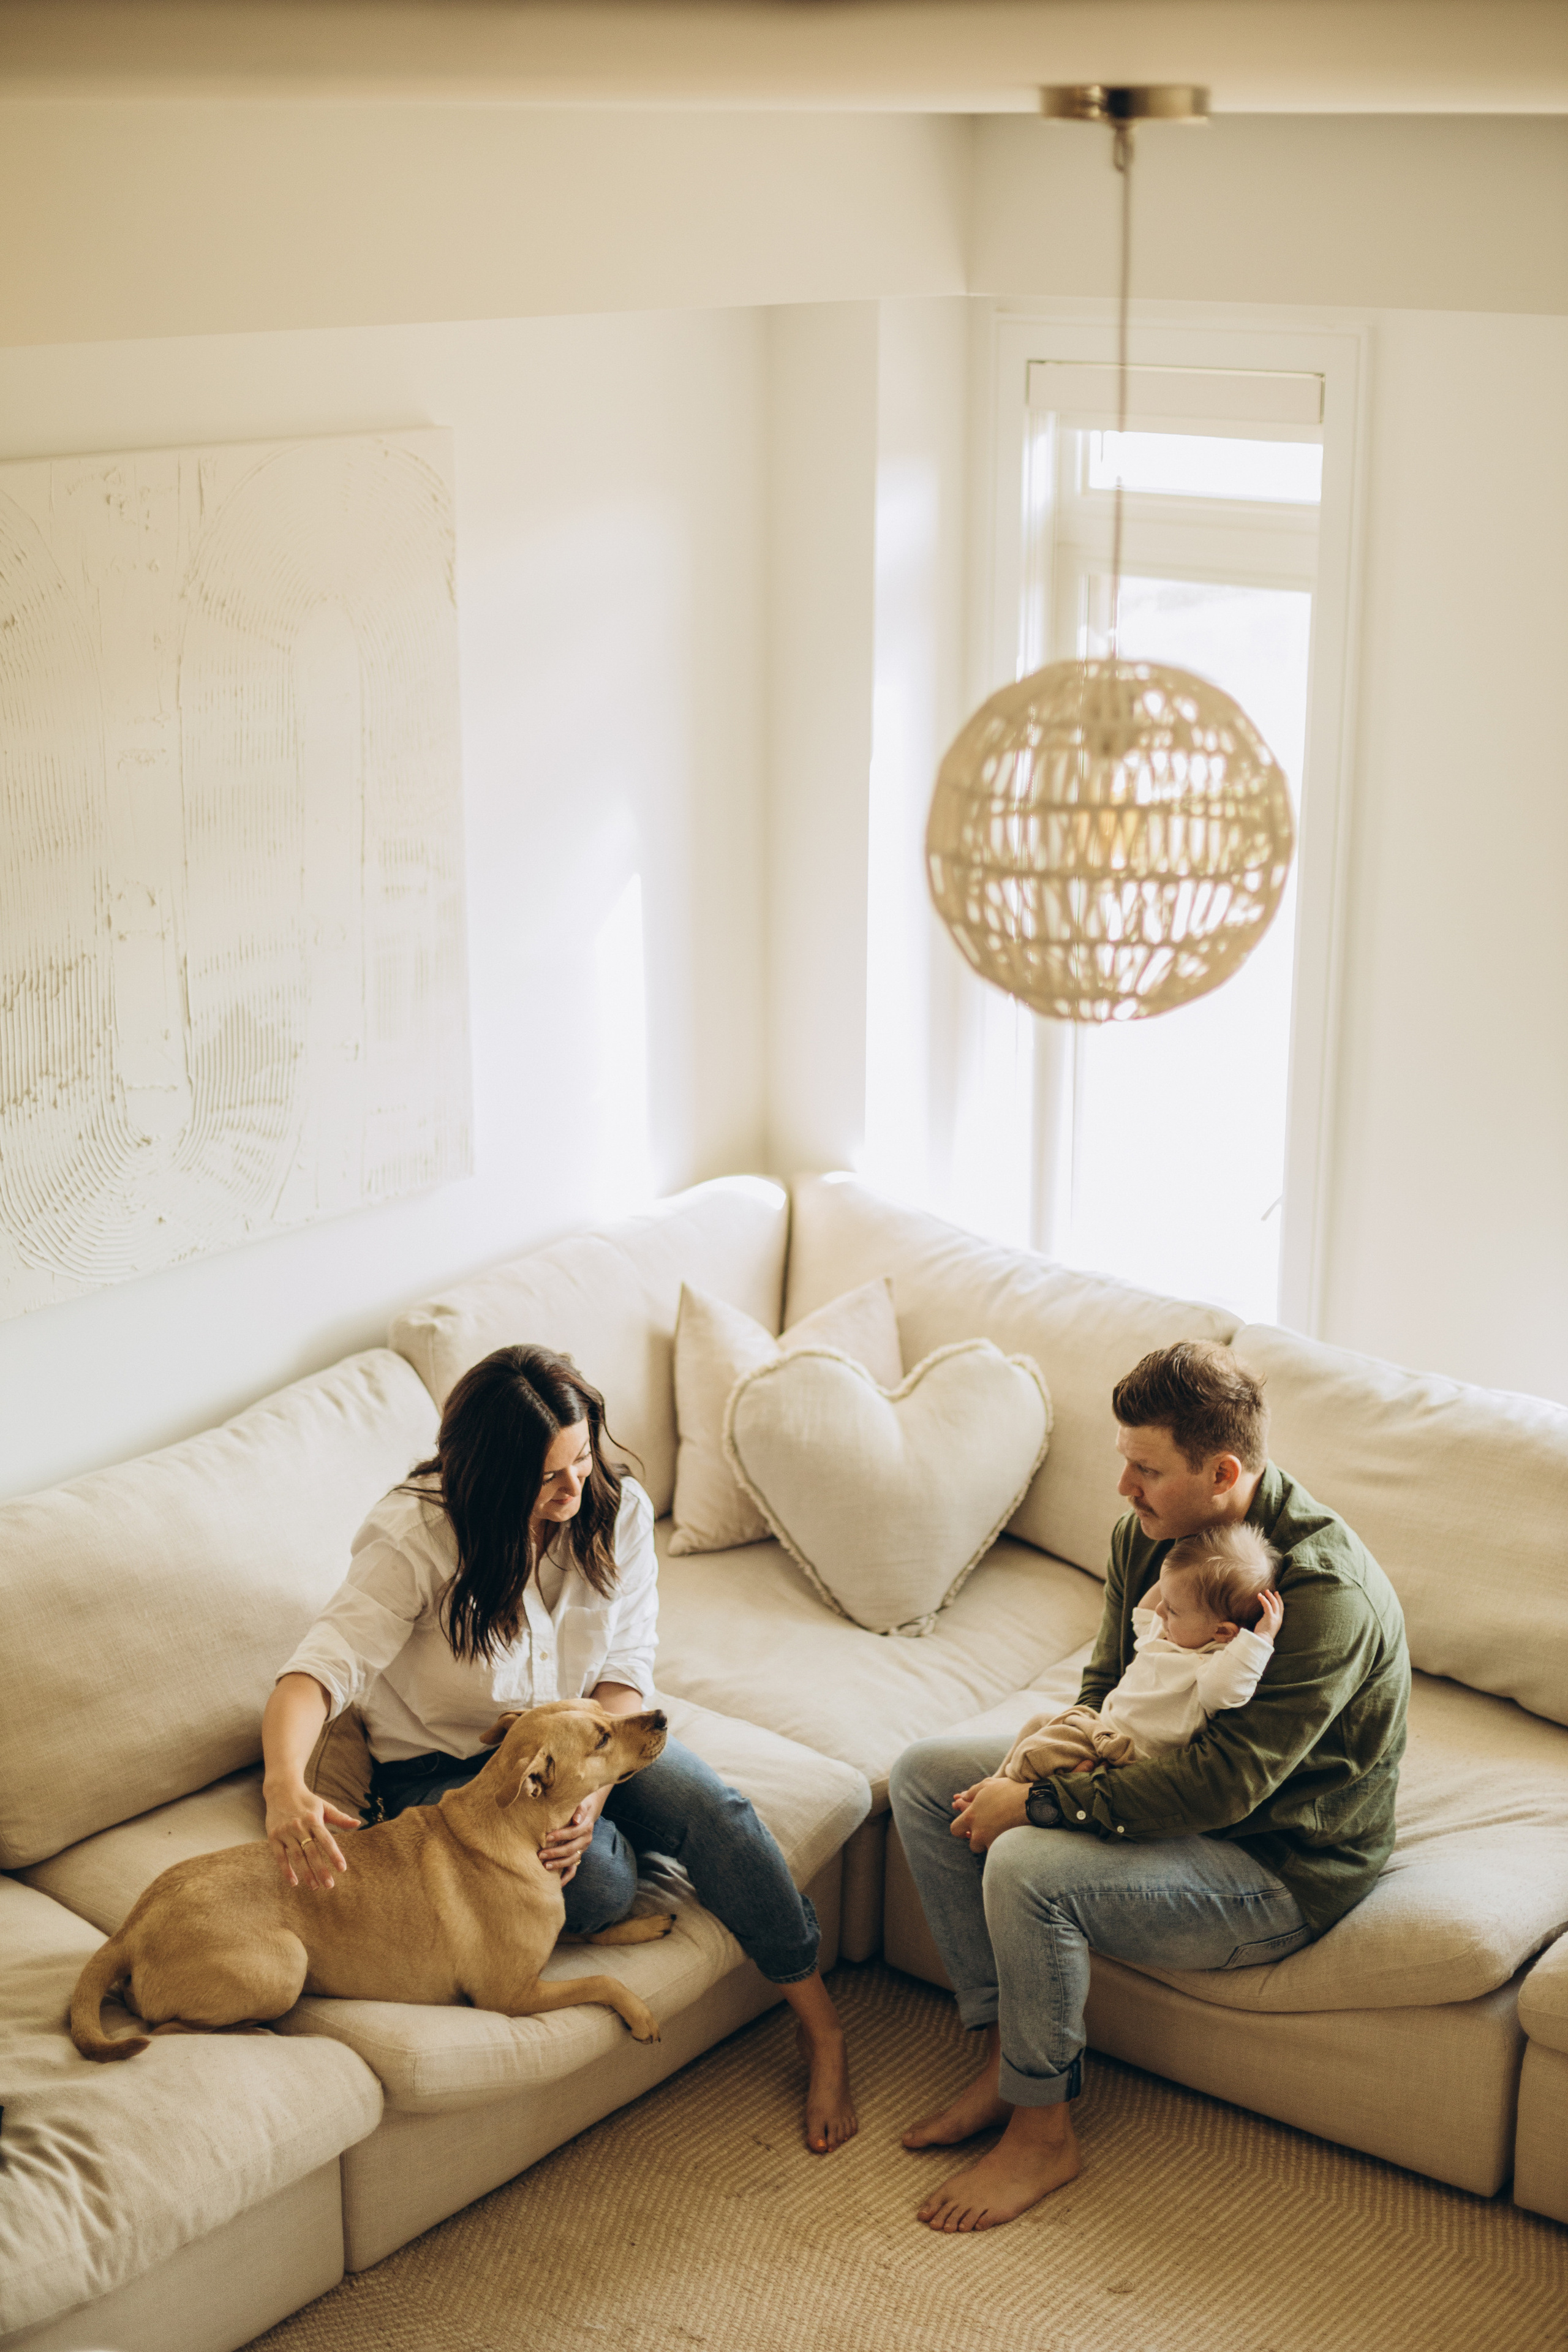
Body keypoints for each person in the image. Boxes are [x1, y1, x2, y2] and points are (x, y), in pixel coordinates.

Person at [262, 1342, 857, 2154]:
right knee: (603, 1883)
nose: (574, 1486)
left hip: (588, 1739)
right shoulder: (418, 1536)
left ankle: (821, 2029)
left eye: (581, 1456)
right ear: (492, 1477)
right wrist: (283, 1784)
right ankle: (594, 1880)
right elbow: (317, 1672)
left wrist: (591, 1794)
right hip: (444, 1772)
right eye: (547, 1476)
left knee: (715, 1810)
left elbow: (623, 1672)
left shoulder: (617, 1512)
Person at [889, 1340, 1408, 2233]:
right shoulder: (1154, 1532)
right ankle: (1008, 2054)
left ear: (1223, 1471)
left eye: (1145, 1470)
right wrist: (1069, 1754)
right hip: (1156, 1772)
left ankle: (1044, 2130)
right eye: (1123, 1463)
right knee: (924, 1776)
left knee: (1023, 1865)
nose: (1123, 1490)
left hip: (1279, 1858)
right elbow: (1108, 1685)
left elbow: (1227, 1790)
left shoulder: (1326, 1594)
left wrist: (1046, 1804)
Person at [997, 1523, 1284, 1778]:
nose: (1161, 1611)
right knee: (1038, 1724)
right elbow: (1143, 1614)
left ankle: (1005, 1791)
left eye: (1173, 1609)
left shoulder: (1211, 1668)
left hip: (1126, 1758)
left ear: (1222, 1632)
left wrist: (1261, 1638)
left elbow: (1230, 1687)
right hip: (1100, 1728)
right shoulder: (1170, 1635)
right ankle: (997, 1783)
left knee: (1039, 1752)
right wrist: (1175, 1580)